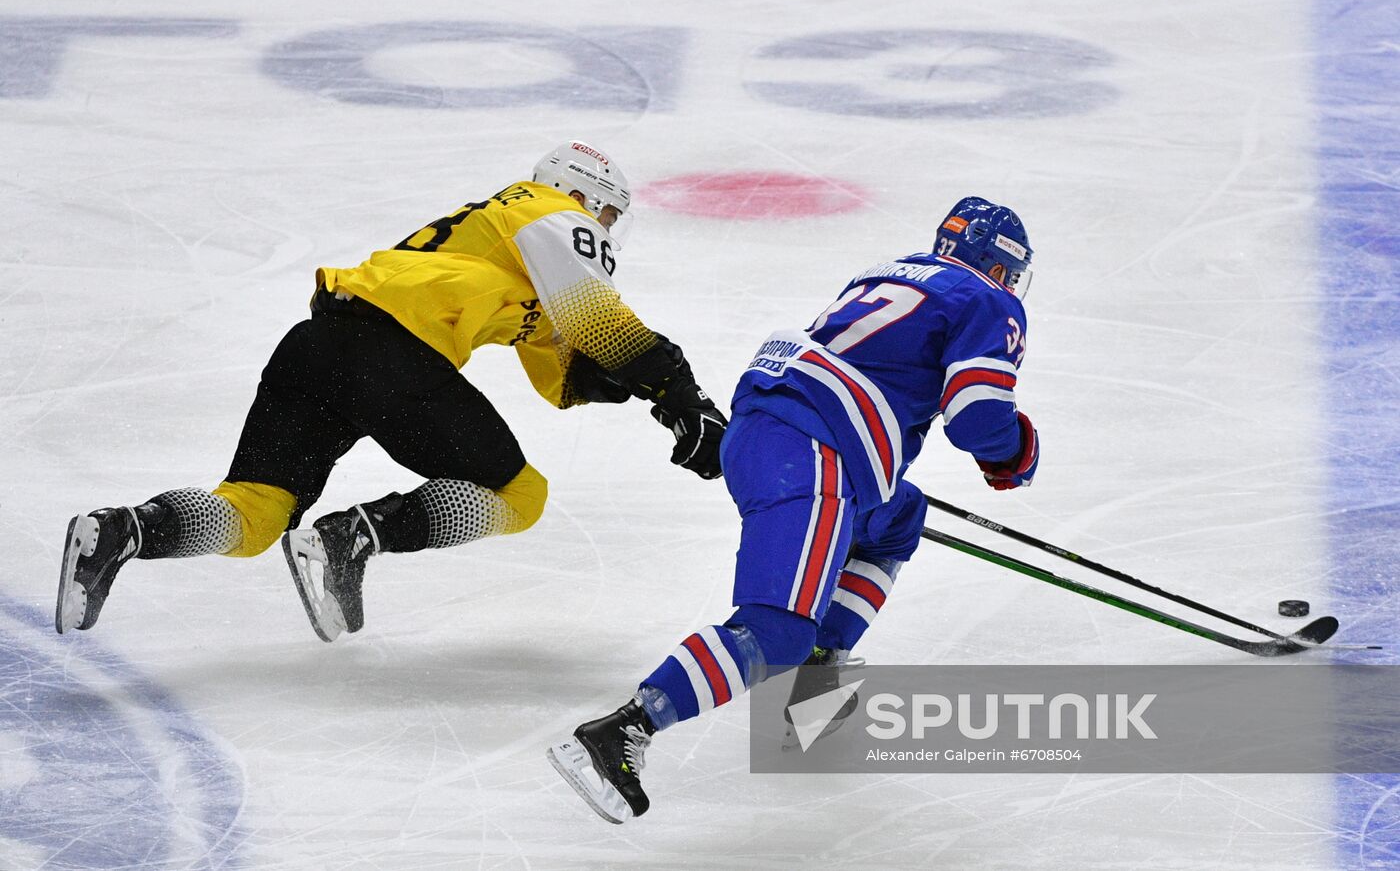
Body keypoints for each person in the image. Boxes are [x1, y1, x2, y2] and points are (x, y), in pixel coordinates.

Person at [55, 141, 728, 642]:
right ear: (577, 193)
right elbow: (603, 323)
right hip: (392, 355)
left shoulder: (520, 258)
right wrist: (684, 393)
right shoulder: (544, 208)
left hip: (321, 346)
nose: (607, 229)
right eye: (606, 212)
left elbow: (571, 373)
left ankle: (123, 530)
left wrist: (656, 399)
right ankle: (355, 535)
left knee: (256, 514)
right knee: (522, 494)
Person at [547, 196, 1039, 823]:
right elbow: (977, 418)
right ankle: (618, 733)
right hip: (811, 455)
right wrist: (1015, 452)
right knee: (774, 631)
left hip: (769, 432)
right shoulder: (988, 299)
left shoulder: (889, 272)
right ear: (1000, 266)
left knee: (896, 520)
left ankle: (810, 687)